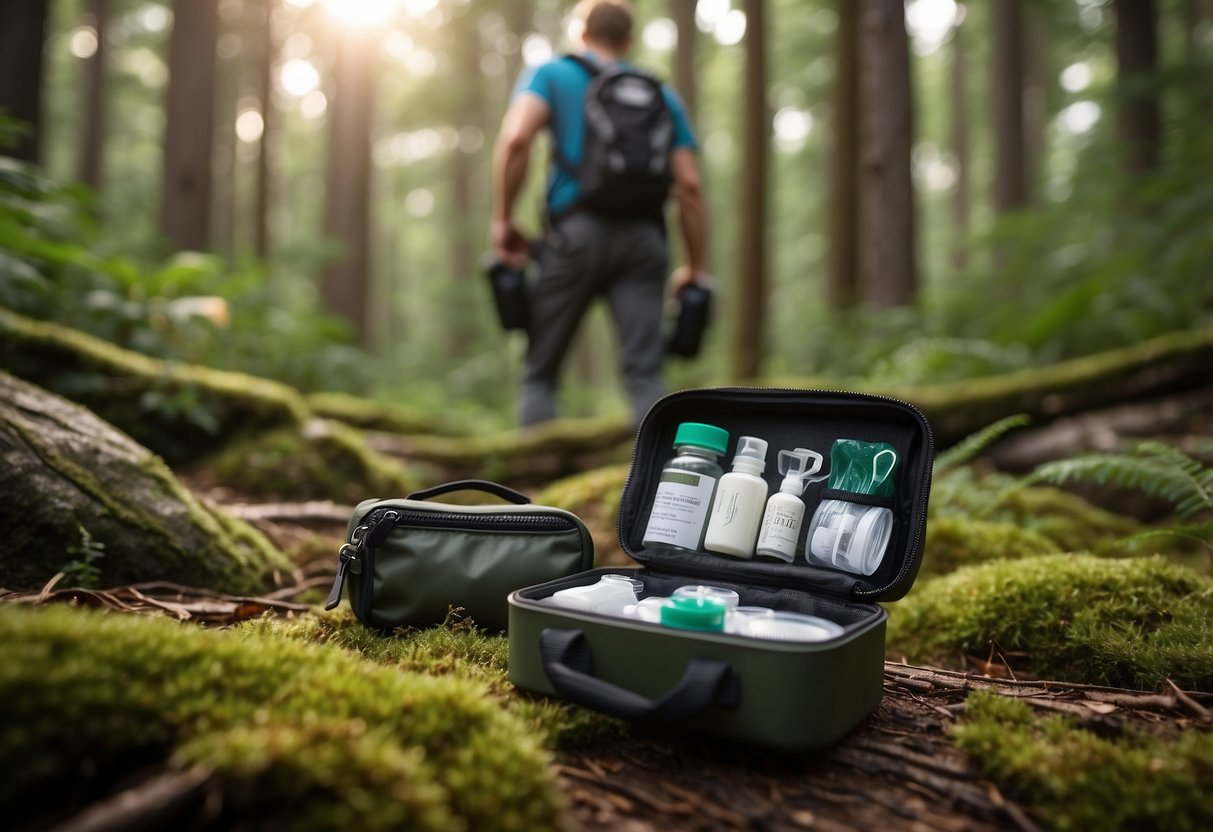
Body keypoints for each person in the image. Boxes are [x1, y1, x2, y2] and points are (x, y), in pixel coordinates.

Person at [490, 0, 708, 427]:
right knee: (645, 374)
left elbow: (516, 140)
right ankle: (652, 489)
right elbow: (690, 185)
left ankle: (533, 485)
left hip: (575, 236)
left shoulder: (552, 74)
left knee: (541, 374)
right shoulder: (660, 93)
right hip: (645, 241)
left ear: (582, 32)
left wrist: (502, 218)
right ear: (628, 40)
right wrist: (695, 265)